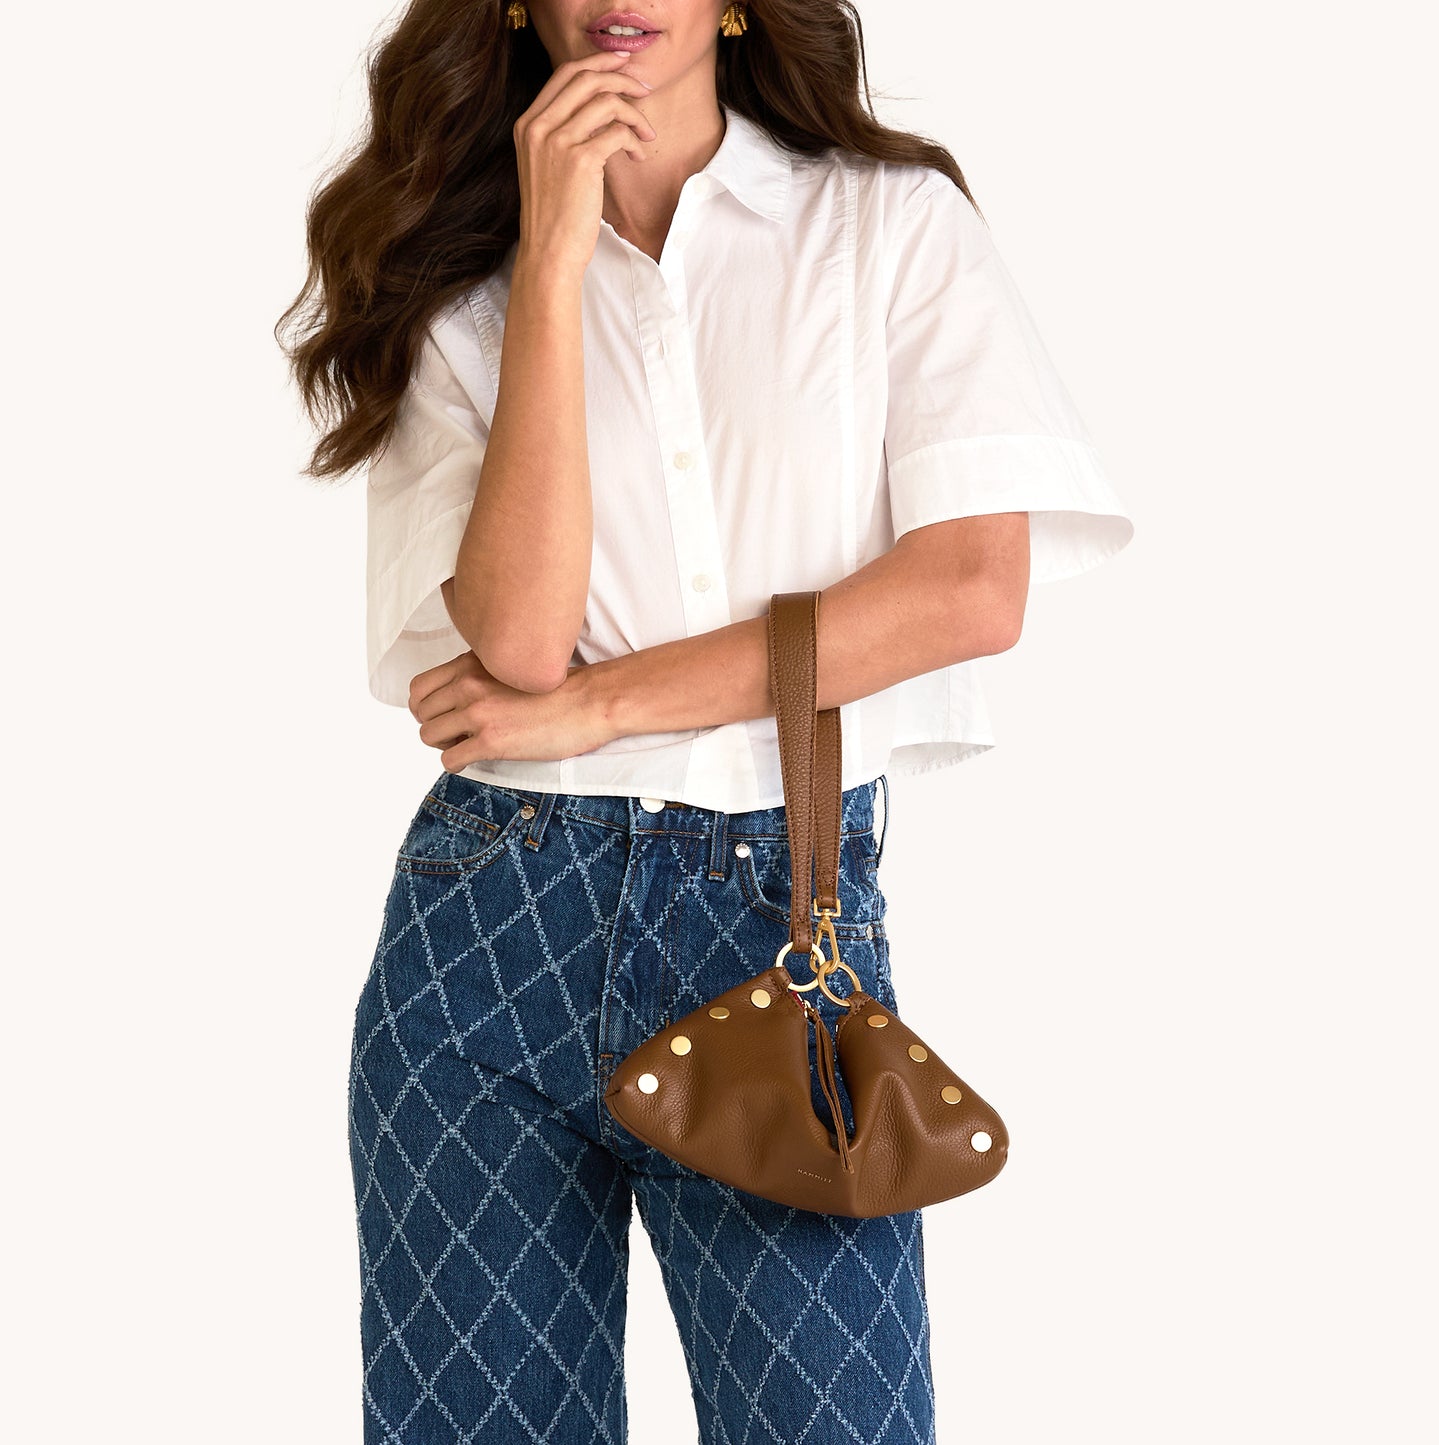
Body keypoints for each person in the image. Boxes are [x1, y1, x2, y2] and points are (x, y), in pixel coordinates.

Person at [281, 3, 1134, 1440]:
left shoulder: (886, 228)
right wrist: (550, 263)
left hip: (773, 919)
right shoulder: (460, 288)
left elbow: (969, 591)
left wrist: (603, 702)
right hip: (485, 932)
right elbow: (518, 636)